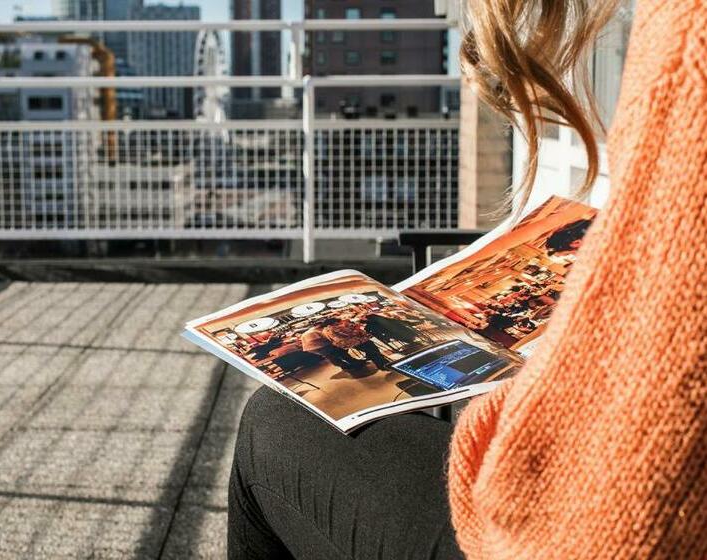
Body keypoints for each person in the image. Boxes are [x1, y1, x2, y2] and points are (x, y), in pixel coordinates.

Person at [228, 1, 706, 558]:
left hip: (563, 528)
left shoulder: (689, 42)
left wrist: (520, 392)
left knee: (274, 423)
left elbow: (611, 526)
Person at [320, 317, 391, 371]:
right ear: (333, 323)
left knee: (370, 350)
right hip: (354, 341)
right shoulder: (335, 328)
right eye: (338, 322)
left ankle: (377, 361)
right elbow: (352, 333)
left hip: (347, 343)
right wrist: (357, 327)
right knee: (373, 350)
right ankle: (384, 365)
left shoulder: (325, 329)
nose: (339, 323)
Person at [299, 320, 366, 370]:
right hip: (316, 347)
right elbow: (328, 338)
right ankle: (346, 366)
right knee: (332, 355)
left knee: (338, 353)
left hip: (314, 347)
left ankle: (353, 362)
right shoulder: (316, 330)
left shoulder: (315, 329)